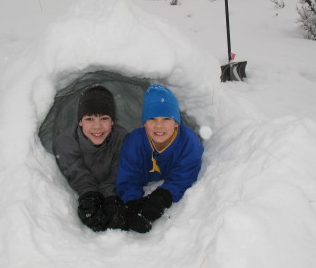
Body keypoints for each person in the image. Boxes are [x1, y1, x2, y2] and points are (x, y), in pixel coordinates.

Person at [116, 84, 204, 233]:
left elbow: (184, 176)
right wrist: (132, 203)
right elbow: (128, 177)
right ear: (144, 123)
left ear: (176, 122)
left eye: (166, 119)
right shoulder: (134, 143)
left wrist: (161, 198)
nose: (159, 126)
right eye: (152, 119)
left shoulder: (189, 143)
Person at [53, 85, 128, 232]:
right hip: (85, 187)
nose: (97, 126)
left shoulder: (122, 138)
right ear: (80, 121)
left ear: (112, 121)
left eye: (104, 118)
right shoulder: (66, 141)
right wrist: (90, 195)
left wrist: (111, 198)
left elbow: (118, 171)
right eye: (89, 119)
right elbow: (76, 172)